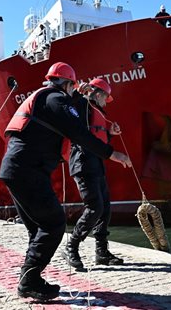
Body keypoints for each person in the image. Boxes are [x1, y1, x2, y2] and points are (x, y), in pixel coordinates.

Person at [0, 62, 131, 301]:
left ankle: (30, 279)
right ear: (68, 84)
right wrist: (114, 154)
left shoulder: (46, 98)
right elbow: (79, 133)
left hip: (17, 169)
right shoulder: (56, 99)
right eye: (73, 86)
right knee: (54, 223)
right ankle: (29, 280)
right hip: (27, 170)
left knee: (38, 230)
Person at [62, 78, 125, 269]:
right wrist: (78, 94)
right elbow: (77, 126)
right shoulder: (82, 105)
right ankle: (71, 246)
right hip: (83, 163)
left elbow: (96, 137)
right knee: (94, 207)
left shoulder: (97, 112)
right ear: (98, 94)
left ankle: (102, 252)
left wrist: (110, 133)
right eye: (106, 97)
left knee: (104, 208)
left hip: (95, 163)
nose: (107, 102)